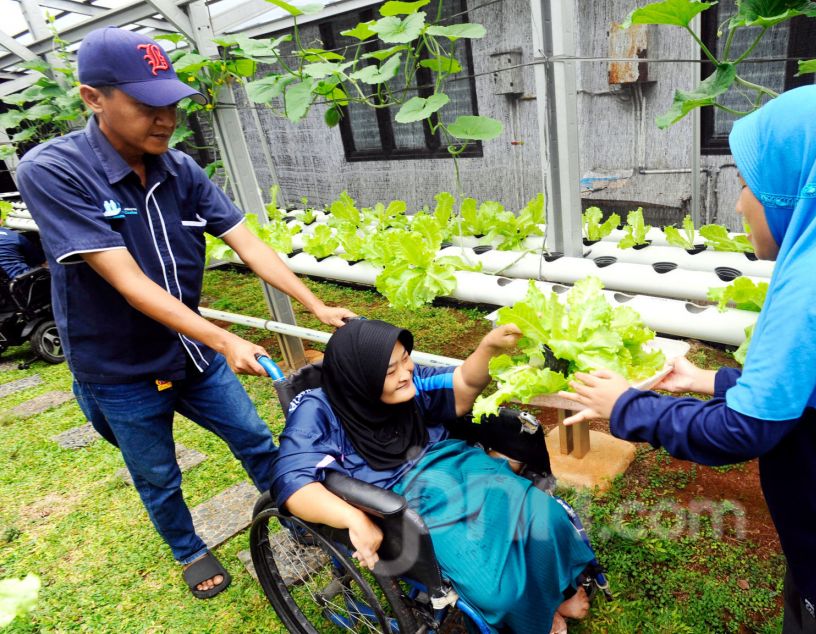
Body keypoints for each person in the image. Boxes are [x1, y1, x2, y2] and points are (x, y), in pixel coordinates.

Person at [560, 84, 816, 634]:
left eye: (750, 182)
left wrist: (627, 408)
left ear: (795, 184)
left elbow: (744, 431)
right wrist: (708, 379)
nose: (739, 203)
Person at [14, 27, 355, 599]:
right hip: (119, 369)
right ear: (93, 98)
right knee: (157, 474)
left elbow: (248, 243)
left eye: (171, 102)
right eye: (148, 104)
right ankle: (189, 549)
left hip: (191, 353)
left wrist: (315, 304)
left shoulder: (181, 169)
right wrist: (226, 339)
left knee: (256, 440)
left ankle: (300, 515)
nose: (166, 118)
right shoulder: (54, 171)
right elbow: (130, 284)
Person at [272, 319, 595, 634]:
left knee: (548, 519)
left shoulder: (410, 383)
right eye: (390, 371)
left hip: (458, 466)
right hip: (404, 501)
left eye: (406, 358)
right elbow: (292, 484)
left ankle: (557, 592)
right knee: (496, 589)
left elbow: (463, 385)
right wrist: (353, 519)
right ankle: (535, 617)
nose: (406, 372)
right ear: (361, 381)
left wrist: (489, 347)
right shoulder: (318, 412)